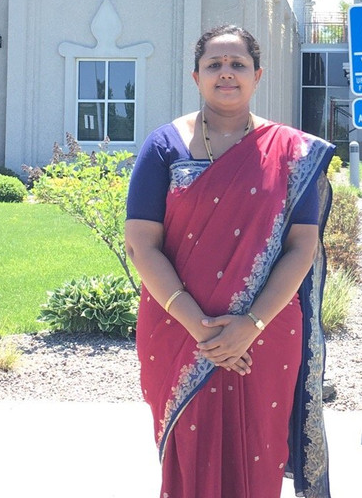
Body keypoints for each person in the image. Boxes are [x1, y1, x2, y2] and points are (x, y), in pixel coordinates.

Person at [125, 25, 335, 498]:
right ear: (196, 76)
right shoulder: (164, 148)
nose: (226, 74)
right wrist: (201, 327)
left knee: (257, 460)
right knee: (188, 464)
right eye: (214, 65)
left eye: (237, 64)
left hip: (266, 333)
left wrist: (250, 324)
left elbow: (302, 246)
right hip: (179, 331)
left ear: (257, 76)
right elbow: (141, 244)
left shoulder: (291, 154)